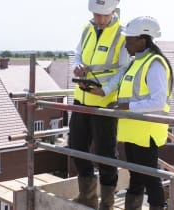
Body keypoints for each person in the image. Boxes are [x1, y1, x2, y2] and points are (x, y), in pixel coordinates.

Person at [69, 0, 130, 209]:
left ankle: (107, 202)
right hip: (82, 99)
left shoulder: (123, 34)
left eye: (104, 15)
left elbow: (124, 69)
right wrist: (77, 65)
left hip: (104, 102)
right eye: (96, 14)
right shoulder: (87, 27)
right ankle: (87, 196)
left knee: (105, 153)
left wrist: (106, 89)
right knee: (76, 147)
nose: (100, 19)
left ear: (114, 11)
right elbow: (77, 53)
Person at [114, 16, 174, 210]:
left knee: (150, 177)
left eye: (129, 40)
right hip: (133, 130)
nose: (125, 45)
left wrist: (127, 107)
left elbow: (158, 101)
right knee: (136, 175)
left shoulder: (155, 64)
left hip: (146, 132)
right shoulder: (137, 62)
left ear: (143, 39)